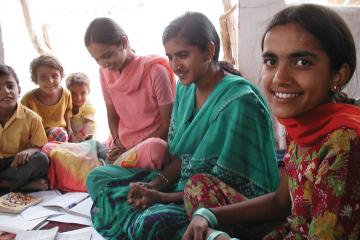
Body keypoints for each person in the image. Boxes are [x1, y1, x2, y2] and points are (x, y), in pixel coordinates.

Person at [86, 12, 279, 239]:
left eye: (183, 55)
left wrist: (161, 196)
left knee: (152, 222)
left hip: (220, 201)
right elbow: (182, 156)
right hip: (182, 182)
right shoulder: (186, 89)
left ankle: (205, 232)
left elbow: (223, 185)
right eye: (170, 57)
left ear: (209, 51)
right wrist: (155, 185)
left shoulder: (239, 102)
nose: (175, 65)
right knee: (97, 178)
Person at [183, 4, 360, 240]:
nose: (279, 78)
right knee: (198, 188)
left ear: (338, 75)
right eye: (271, 61)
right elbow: (281, 201)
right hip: (292, 227)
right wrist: (210, 215)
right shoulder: (302, 125)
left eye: (302, 62)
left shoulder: (345, 144)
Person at [84, 17, 176, 164]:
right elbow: (112, 114)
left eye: (107, 55)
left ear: (124, 42)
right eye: (97, 59)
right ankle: (123, 168)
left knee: (156, 149)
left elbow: (169, 124)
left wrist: (132, 150)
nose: (104, 63)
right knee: (91, 173)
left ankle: (123, 169)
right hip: (124, 145)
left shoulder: (155, 71)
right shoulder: (104, 72)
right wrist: (117, 143)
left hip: (153, 144)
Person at [0, 64, 49, 192]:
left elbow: (40, 146)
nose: (6, 91)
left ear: (19, 90)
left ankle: (4, 184)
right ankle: (23, 186)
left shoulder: (32, 118)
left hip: (15, 165)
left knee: (40, 160)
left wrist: (29, 151)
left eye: (10, 86)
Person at [21, 54, 73, 142]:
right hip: (37, 136)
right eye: (43, 77)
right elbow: (24, 125)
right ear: (36, 78)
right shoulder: (28, 99)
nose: (50, 81)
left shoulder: (66, 94)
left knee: (59, 133)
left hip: (61, 135)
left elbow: (67, 113)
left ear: (61, 76)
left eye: (54, 76)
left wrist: (69, 129)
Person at [66, 72, 96, 143]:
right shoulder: (66, 103)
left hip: (86, 134)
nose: (78, 98)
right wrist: (71, 135)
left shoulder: (87, 106)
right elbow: (66, 120)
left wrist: (77, 138)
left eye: (83, 93)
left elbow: (88, 125)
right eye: (73, 93)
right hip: (71, 134)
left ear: (88, 92)